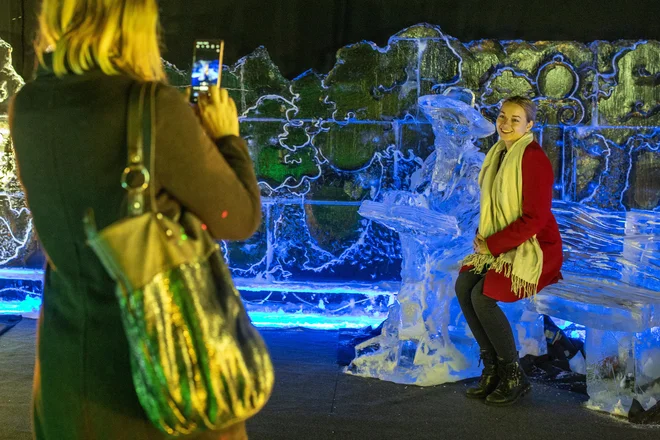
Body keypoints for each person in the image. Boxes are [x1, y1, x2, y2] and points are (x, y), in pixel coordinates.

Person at [8, 1, 260, 439]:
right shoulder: (151, 106)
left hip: (66, 373)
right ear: (135, 20)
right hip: (157, 377)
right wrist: (225, 137)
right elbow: (237, 219)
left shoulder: (28, 104)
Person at [454, 96, 563, 406]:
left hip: (536, 249)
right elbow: (495, 208)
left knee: (483, 297)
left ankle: (513, 376)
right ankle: (492, 371)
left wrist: (493, 244)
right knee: (464, 284)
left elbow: (535, 218)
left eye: (515, 119)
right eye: (503, 116)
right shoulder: (500, 153)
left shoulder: (532, 158)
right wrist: (482, 237)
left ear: (529, 125)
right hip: (503, 244)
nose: (505, 123)